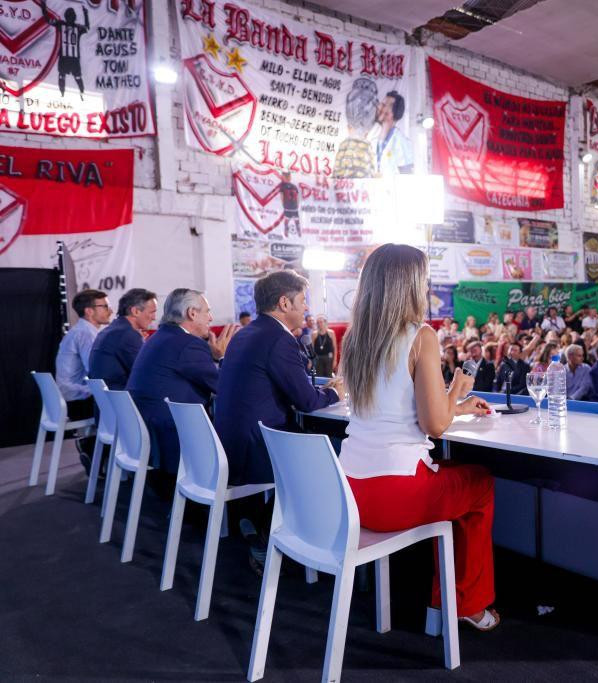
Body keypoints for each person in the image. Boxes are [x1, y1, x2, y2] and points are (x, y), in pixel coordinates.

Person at [337, 244, 497, 628]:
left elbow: (398, 409)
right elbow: (435, 427)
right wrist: (456, 390)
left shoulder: (356, 337)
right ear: (410, 284)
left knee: (454, 471)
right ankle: (464, 605)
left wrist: (453, 405)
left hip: (349, 491)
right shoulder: (421, 335)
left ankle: (446, 603)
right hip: (395, 496)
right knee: (480, 483)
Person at [215, 270, 344, 486]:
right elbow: (308, 401)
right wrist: (334, 393)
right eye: (303, 300)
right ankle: (314, 517)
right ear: (285, 303)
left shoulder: (245, 334)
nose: (307, 308)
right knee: (339, 445)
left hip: (232, 446)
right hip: (258, 451)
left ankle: (271, 515)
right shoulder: (278, 338)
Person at [127, 289, 237, 474]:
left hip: (146, 431)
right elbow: (224, 388)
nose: (210, 318)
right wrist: (223, 356)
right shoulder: (189, 344)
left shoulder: (159, 337)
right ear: (192, 313)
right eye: (207, 311)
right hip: (172, 438)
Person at [56, 289, 110, 470]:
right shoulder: (86, 334)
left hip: (70, 396)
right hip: (78, 400)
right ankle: (99, 453)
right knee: (124, 406)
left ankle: (95, 448)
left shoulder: (79, 330)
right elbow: (96, 370)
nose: (110, 310)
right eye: (105, 306)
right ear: (89, 311)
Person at [89, 288, 158, 390]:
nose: (154, 317)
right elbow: (148, 373)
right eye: (152, 312)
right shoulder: (127, 335)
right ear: (135, 311)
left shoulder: (110, 330)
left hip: (108, 402)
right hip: (124, 401)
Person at [374, 90, 414, 175]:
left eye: (384, 105)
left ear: (392, 113)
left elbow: (407, 175)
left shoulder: (401, 142)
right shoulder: (372, 137)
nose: (378, 106)